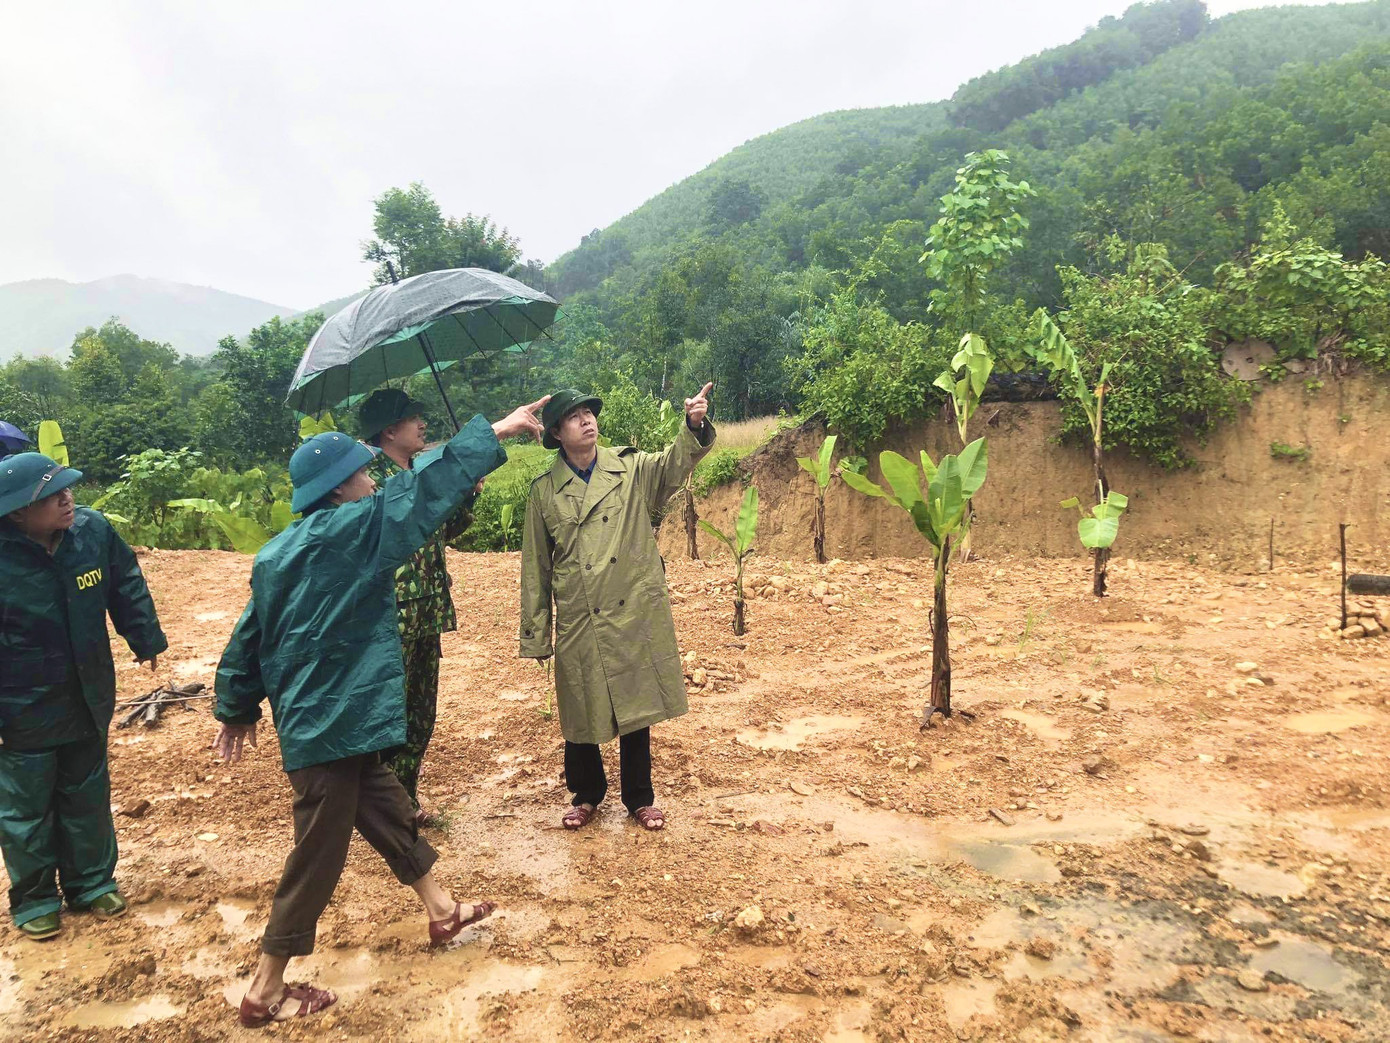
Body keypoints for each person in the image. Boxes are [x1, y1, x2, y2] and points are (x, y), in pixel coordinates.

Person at [212, 397, 546, 1028]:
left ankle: (442, 910)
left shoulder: (277, 553)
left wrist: (235, 702)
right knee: (316, 853)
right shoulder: (356, 528)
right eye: (363, 472)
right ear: (340, 488)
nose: (372, 479)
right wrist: (497, 430)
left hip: (322, 717)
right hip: (331, 723)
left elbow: (249, 633)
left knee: (385, 805)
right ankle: (264, 988)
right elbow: (423, 491)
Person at [520, 383, 715, 832]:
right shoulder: (544, 492)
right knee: (579, 705)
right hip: (579, 612)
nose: (587, 420)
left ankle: (639, 798)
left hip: (629, 608)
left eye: (589, 412)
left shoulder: (629, 468)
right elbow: (536, 567)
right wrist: (536, 634)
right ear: (556, 433)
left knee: (634, 703)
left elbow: (672, 466)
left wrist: (693, 425)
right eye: (574, 416)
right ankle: (585, 794)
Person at [0, 452, 166, 940]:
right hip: (20, 700)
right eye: (52, 495)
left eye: (67, 487)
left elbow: (126, 582)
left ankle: (92, 882)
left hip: (88, 689)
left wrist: (145, 637)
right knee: (28, 805)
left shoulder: (91, 533)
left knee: (86, 790)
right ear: (16, 514)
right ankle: (34, 899)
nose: (67, 498)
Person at [358, 388, 479, 824]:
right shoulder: (371, 475)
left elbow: (444, 531)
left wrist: (466, 494)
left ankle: (404, 801)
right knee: (391, 712)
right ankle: (382, 808)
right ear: (390, 430)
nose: (422, 424)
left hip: (426, 610)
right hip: (393, 616)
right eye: (413, 419)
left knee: (420, 712)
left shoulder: (413, 469)